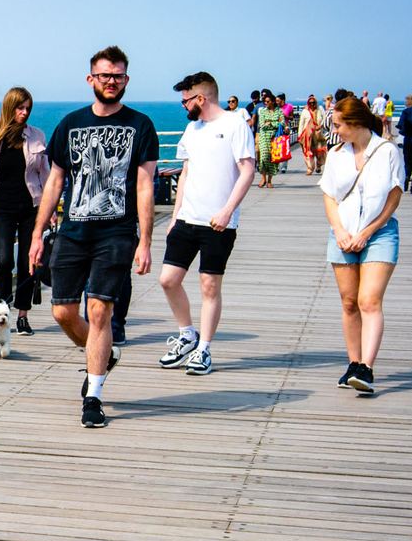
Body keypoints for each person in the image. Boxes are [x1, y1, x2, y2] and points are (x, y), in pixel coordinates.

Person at [27, 45, 159, 428]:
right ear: (91, 79)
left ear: (126, 80)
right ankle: (103, 356)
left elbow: (146, 185)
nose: (111, 82)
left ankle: (94, 394)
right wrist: (38, 233)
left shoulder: (140, 125)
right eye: (105, 75)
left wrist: (146, 240)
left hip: (116, 231)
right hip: (72, 230)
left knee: (100, 309)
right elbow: (54, 182)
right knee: (62, 311)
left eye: (118, 76)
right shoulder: (70, 124)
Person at [158, 72, 256, 377]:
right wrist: (174, 216)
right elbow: (186, 173)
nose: (183, 106)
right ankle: (188, 334)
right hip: (188, 218)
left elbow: (247, 170)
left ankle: (204, 349)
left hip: (219, 223)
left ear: (201, 98)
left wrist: (228, 211)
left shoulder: (235, 124)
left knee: (209, 285)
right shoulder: (192, 128)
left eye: (186, 100)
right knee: (168, 279)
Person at [321, 97, 405, 395]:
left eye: (338, 124)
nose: (335, 130)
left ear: (355, 123)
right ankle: (353, 363)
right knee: (348, 301)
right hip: (343, 232)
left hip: (380, 233)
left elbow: (395, 196)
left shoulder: (388, 152)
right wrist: (340, 230)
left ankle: (366, 368)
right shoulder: (335, 155)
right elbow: (329, 195)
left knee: (369, 300)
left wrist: (368, 231)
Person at [0, 86, 50, 335]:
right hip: (3, 207)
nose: (25, 113)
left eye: (28, 108)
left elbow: (46, 175)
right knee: (4, 260)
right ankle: (4, 309)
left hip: (31, 207)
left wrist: (52, 208)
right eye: (20, 108)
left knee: (29, 261)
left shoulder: (37, 137)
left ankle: (23, 316)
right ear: (9, 107)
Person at [254, 91, 284, 188]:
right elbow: (262, 125)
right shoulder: (262, 111)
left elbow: (282, 123)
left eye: (267, 101)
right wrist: (275, 122)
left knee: (273, 159)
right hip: (264, 137)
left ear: (272, 102)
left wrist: (271, 123)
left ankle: (270, 180)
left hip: (275, 137)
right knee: (263, 158)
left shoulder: (279, 111)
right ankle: (263, 178)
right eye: (265, 101)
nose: (265, 103)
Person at [298, 96, 327, 174]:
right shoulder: (305, 111)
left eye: (313, 102)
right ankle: (310, 168)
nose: (312, 104)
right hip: (308, 135)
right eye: (310, 103)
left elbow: (325, 119)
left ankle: (318, 165)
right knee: (308, 151)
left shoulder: (320, 110)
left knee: (320, 152)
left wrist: (320, 126)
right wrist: (299, 135)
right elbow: (301, 124)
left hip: (318, 134)